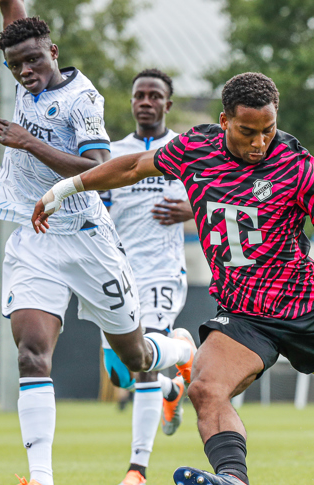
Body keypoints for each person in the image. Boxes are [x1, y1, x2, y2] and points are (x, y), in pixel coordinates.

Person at [33, 72, 314, 485]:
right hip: (243, 315)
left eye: (268, 130)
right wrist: (64, 190)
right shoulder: (194, 149)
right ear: (224, 121)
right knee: (205, 389)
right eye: (248, 131)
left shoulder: (297, 164)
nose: (260, 143)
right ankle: (232, 479)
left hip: (308, 309)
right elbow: (133, 165)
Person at [0, 3, 195, 484]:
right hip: (34, 235)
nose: (25, 72)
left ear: (53, 51)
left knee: (136, 361)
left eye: (34, 61)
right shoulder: (24, 62)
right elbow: (12, 14)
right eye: (15, 65)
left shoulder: (83, 101)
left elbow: (98, 174)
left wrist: (29, 143)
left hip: (88, 242)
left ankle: (181, 353)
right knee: (31, 352)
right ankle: (41, 476)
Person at [99, 68, 194, 485]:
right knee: (122, 372)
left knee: (143, 365)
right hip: (118, 274)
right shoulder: (113, 153)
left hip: (162, 271)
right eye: (140, 94)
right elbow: (95, 204)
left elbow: (225, 192)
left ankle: (137, 468)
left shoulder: (187, 150)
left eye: (155, 95)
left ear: (167, 105)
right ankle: (176, 375)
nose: (146, 101)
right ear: (132, 101)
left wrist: (191, 210)